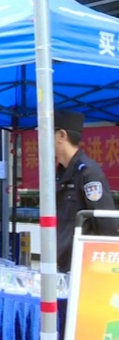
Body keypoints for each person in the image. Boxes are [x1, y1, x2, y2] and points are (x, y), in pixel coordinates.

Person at [53, 110, 116, 272]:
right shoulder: (60, 173)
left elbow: (106, 223)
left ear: (61, 136)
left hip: (84, 266)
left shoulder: (88, 172)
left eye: (47, 133)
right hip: (62, 262)